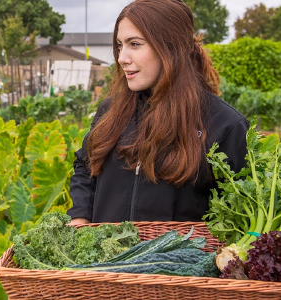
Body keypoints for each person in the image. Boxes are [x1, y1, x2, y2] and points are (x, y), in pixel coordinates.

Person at [67, 0, 249, 225]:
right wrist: (79, 217)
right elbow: (85, 166)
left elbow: (240, 213)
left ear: (170, 47)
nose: (122, 57)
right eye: (120, 45)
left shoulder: (225, 125)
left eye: (134, 44)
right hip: (105, 259)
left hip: (178, 261)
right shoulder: (111, 111)